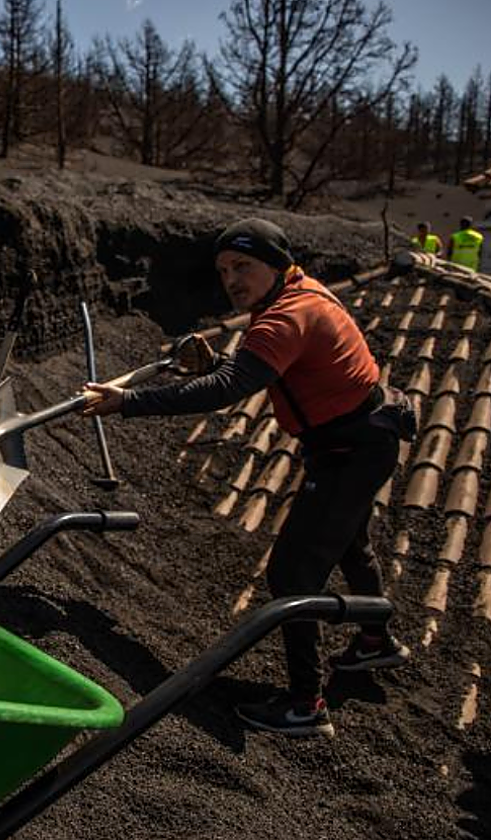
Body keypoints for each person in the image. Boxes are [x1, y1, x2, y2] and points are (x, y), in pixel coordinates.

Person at [82, 218, 411, 738]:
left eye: (244, 266)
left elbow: (227, 389)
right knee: (350, 543)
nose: (232, 279)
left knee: (292, 576)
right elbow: (255, 368)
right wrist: (216, 364)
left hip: (351, 450)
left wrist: (128, 402)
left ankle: (307, 703)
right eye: (224, 270)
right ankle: (376, 642)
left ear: (277, 264)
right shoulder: (301, 293)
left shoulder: (285, 317)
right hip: (363, 438)